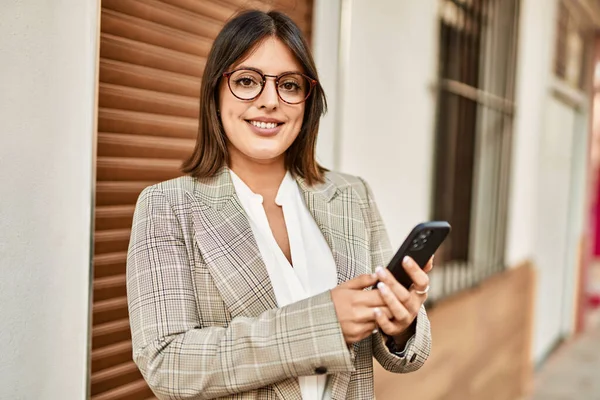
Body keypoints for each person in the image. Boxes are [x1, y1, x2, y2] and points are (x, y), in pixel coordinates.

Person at [126, 9, 432, 400]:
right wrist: (323, 324)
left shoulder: (352, 195)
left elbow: (404, 356)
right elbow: (166, 364)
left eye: (289, 85)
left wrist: (401, 321)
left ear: (307, 102)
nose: (270, 101)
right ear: (215, 94)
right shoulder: (167, 207)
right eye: (247, 81)